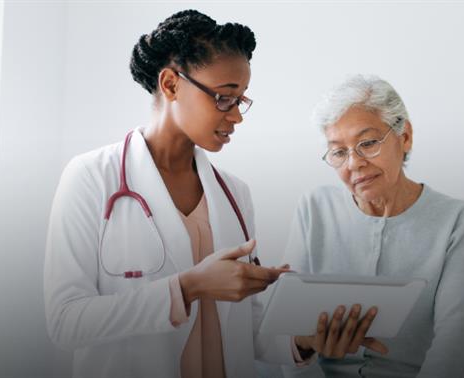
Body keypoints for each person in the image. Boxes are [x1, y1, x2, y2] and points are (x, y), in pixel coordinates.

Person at [44, 10, 295, 377]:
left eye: (241, 100)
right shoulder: (90, 178)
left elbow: (247, 328)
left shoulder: (235, 194)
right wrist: (188, 287)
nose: (237, 116)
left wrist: (304, 342)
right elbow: (66, 322)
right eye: (224, 98)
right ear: (171, 84)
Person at [282, 75, 464, 378]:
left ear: (405, 137)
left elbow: (456, 343)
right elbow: (286, 330)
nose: (354, 163)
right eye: (339, 151)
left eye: (368, 143)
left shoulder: (455, 219)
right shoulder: (315, 208)